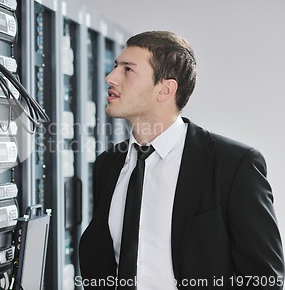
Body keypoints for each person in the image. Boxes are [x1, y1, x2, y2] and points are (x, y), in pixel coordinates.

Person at [78, 31, 284, 289]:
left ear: (165, 89)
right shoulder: (108, 163)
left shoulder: (233, 164)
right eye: (115, 67)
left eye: (128, 69)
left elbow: (264, 277)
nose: (110, 77)